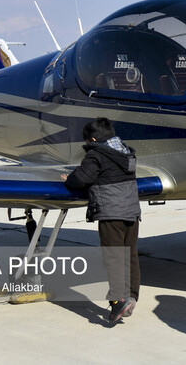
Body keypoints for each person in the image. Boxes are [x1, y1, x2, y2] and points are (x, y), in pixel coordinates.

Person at [62, 117, 141, 321]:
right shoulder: (126, 152)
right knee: (129, 255)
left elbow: (81, 178)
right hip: (132, 211)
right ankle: (131, 297)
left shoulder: (96, 154)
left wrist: (69, 178)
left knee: (113, 257)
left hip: (111, 212)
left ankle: (117, 301)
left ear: (94, 139)